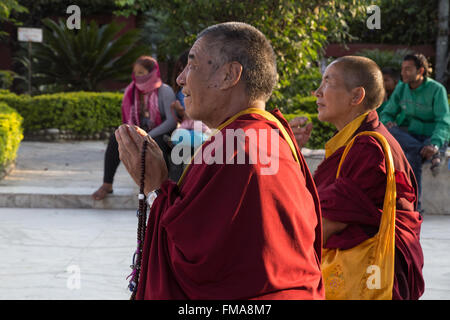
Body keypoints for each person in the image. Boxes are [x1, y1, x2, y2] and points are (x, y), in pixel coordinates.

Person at [115, 22, 324, 299]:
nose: (180, 79)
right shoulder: (265, 133)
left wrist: (155, 186)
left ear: (229, 75)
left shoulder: (240, 147)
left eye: (192, 66)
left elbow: (199, 260)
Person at [290, 56, 424, 299]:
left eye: (328, 83)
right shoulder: (357, 143)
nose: (317, 92)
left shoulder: (369, 148)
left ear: (356, 96)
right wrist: (293, 150)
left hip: (370, 280)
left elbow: (327, 222)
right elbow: (315, 201)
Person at [92, 56, 177, 200]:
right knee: (115, 138)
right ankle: (107, 184)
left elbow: (171, 121)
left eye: (142, 73)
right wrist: (135, 133)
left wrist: (148, 135)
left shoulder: (164, 91)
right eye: (136, 73)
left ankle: (158, 188)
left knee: (157, 144)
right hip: (139, 130)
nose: (138, 76)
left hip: (159, 132)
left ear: (152, 72)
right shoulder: (131, 91)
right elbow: (127, 119)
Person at [380, 53, 450, 211]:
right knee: (390, 130)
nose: (403, 73)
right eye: (402, 69)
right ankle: (428, 154)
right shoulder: (401, 87)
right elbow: (387, 113)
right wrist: (387, 121)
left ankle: (414, 207)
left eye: (408, 69)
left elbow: (443, 121)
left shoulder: (437, 89)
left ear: (421, 71)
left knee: (412, 156)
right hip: (411, 135)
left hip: (432, 136)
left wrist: (435, 144)